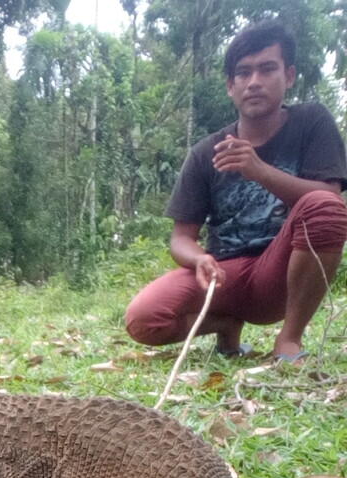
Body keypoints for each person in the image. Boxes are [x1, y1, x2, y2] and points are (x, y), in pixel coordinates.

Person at [125, 20, 347, 363]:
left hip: (282, 271)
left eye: (267, 69)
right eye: (243, 73)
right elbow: (180, 237)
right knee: (144, 319)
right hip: (223, 275)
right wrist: (199, 258)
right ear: (231, 86)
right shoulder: (205, 152)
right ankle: (226, 325)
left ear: (288, 76)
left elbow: (329, 200)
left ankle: (289, 339)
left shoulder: (311, 121)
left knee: (324, 206)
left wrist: (259, 171)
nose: (254, 82)